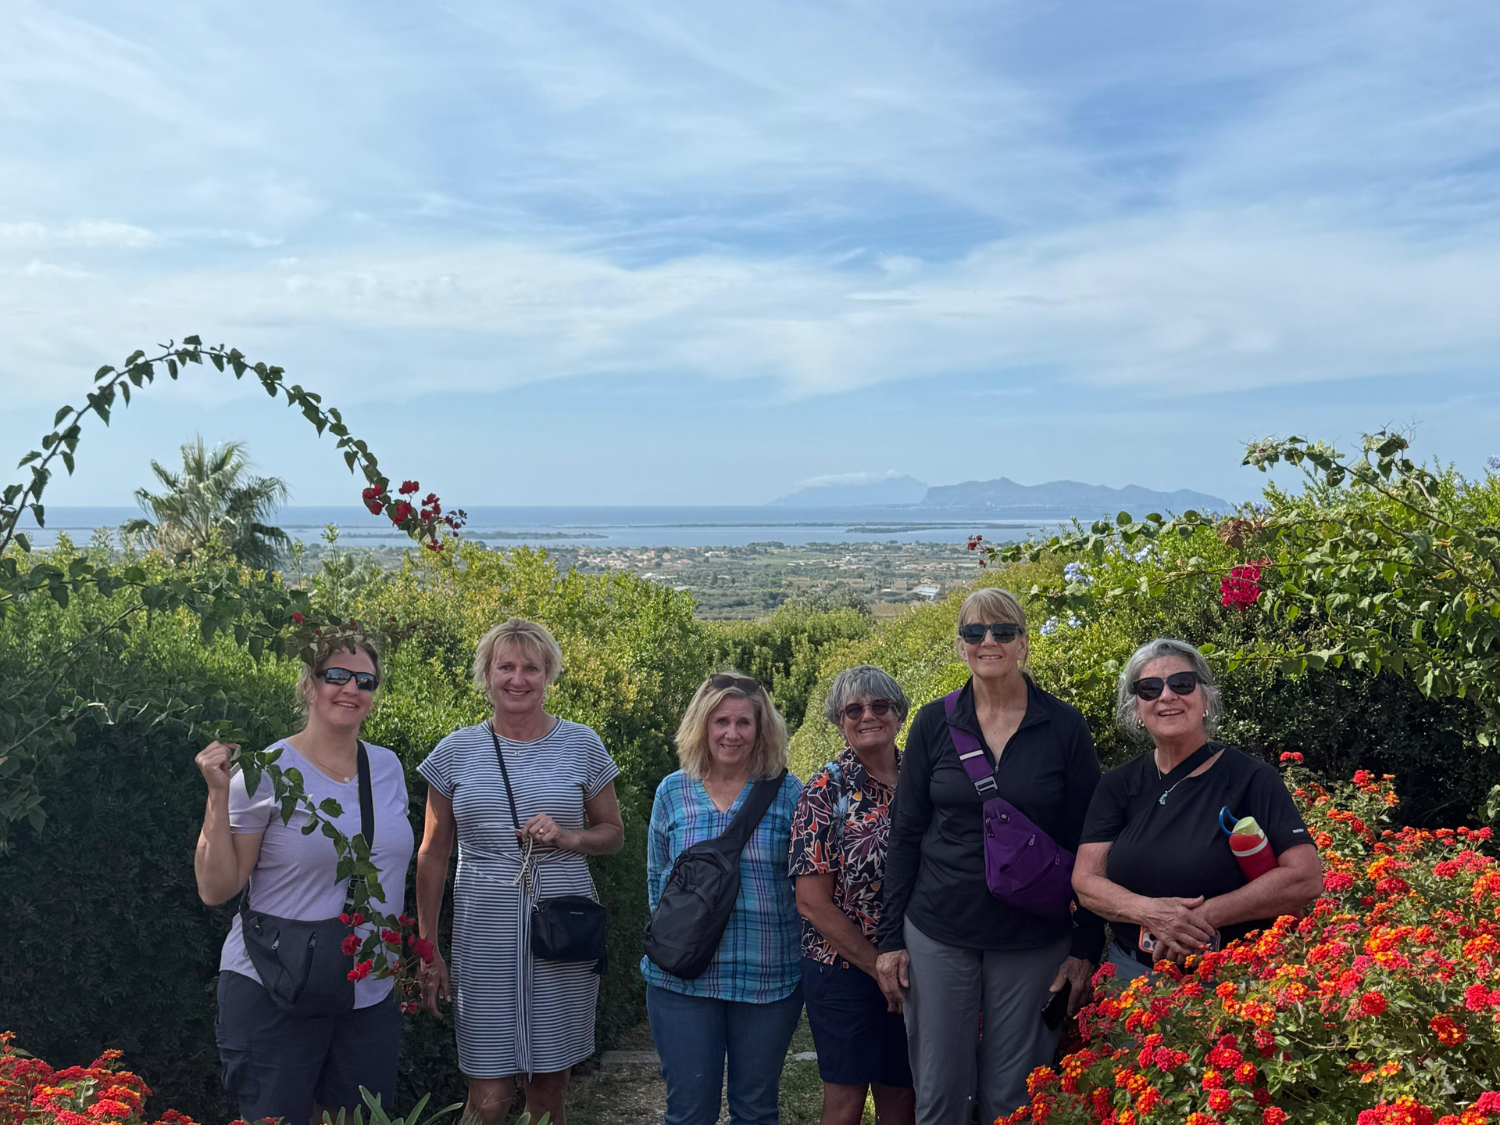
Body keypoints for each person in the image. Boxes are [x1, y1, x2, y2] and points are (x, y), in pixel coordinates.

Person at [873, 587, 1104, 1125]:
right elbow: (905, 834)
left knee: (1012, 1098)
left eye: (1002, 631)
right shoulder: (934, 723)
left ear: (1023, 643)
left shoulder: (1064, 727)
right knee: (940, 1095)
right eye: (975, 632)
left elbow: (1090, 843)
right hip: (939, 928)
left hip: (1032, 937)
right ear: (961, 645)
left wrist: (1085, 944)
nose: (988, 642)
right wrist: (888, 941)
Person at [195, 630, 414, 1125]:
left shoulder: (387, 768)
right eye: (335, 675)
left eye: (365, 679)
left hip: (367, 988)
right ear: (309, 684)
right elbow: (216, 887)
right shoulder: (266, 771)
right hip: (277, 983)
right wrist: (217, 796)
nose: (350, 689)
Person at [415, 618, 624, 1125]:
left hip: (562, 927)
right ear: (486, 676)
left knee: (550, 1088)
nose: (518, 678)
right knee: (488, 1094)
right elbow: (432, 853)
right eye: (505, 666)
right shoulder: (455, 751)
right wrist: (427, 948)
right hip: (483, 929)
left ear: (548, 674)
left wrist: (569, 836)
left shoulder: (583, 744)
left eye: (531, 667)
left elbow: (613, 833)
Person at [1072, 637, 1323, 982]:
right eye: (1149, 688)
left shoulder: (1251, 778)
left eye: (1182, 684)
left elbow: (1304, 877)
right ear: (1136, 708)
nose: (1166, 696)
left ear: (1205, 697)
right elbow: (1086, 881)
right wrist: (1152, 914)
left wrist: (1200, 918)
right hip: (1132, 982)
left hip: (1233, 980)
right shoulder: (1117, 785)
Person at [644, 673, 804, 1125]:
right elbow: (658, 881)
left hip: (767, 979)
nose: (732, 734)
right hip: (682, 983)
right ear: (702, 725)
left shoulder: (788, 794)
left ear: (761, 729)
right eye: (720, 721)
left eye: (743, 722)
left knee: (755, 1110)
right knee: (689, 1112)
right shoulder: (672, 792)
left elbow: (805, 886)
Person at [789, 666, 915, 1125]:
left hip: (912, 965)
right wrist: (877, 965)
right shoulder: (825, 790)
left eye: (879, 706)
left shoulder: (924, 780)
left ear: (898, 714)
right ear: (839, 720)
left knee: (902, 1097)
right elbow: (811, 901)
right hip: (841, 967)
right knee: (845, 1101)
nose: (868, 716)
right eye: (854, 709)